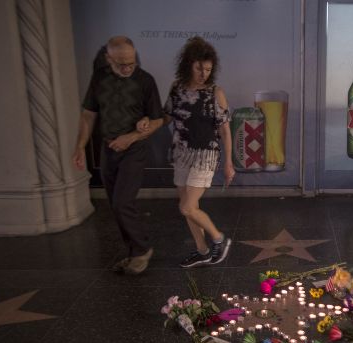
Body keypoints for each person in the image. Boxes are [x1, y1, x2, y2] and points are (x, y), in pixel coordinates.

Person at [72, 36, 164, 275]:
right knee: (115, 205)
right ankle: (134, 251)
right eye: (121, 63)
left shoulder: (145, 81)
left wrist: (131, 137)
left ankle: (142, 250)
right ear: (108, 59)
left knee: (123, 202)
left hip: (134, 149)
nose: (127, 68)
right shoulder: (99, 79)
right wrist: (80, 145)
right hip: (108, 149)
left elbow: (157, 120)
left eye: (131, 63)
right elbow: (88, 115)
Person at [138, 36, 234, 268]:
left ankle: (219, 239)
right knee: (190, 208)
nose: (204, 74)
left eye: (208, 69)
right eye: (199, 68)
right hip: (181, 152)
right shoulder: (177, 88)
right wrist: (147, 123)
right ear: (188, 64)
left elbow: (225, 130)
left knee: (187, 207)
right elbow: (168, 116)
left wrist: (228, 163)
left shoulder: (215, 92)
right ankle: (202, 251)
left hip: (205, 155)